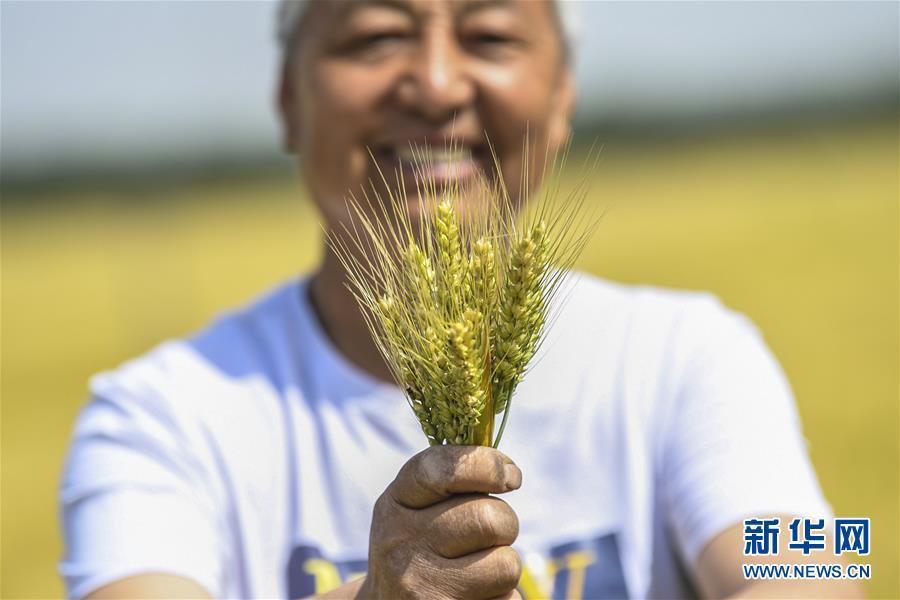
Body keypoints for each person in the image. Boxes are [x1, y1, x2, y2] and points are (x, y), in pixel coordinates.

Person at [60, 1, 862, 599]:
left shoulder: (697, 352)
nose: (438, 85)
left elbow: (822, 565)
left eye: (491, 37)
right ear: (286, 98)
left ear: (562, 97)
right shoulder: (154, 417)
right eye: (374, 35)